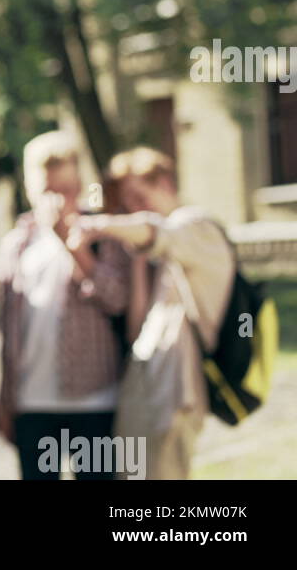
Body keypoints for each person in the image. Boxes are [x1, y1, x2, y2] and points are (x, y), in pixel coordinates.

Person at [70, 146, 235, 479]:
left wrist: (100, 224)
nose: (133, 210)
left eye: (138, 197)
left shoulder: (196, 227)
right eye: (126, 203)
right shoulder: (156, 253)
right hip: (147, 387)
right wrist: (139, 260)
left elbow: (154, 230)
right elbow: (136, 329)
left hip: (173, 392)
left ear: (165, 184)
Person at [0, 131, 130, 480]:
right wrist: (7, 400)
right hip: (33, 403)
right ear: (30, 189)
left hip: (95, 400)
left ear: (80, 186)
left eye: (66, 190)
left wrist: (73, 247)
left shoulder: (100, 235)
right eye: (48, 191)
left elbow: (117, 300)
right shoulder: (16, 245)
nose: (57, 200)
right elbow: (8, 331)